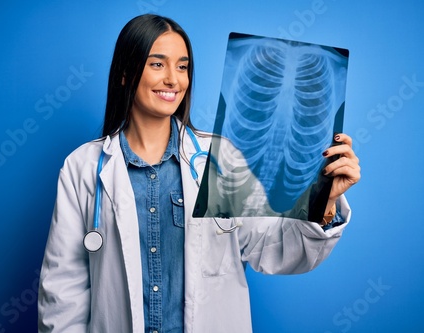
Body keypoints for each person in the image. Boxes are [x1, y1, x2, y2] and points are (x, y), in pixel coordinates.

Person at [37, 14, 361, 333]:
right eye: (157, 64)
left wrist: (325, 201)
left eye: (182, 66)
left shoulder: (220, 159)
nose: (173, 80)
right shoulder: (83, 167)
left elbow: (272, 247)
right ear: (124, 73)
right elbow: (63, 292)